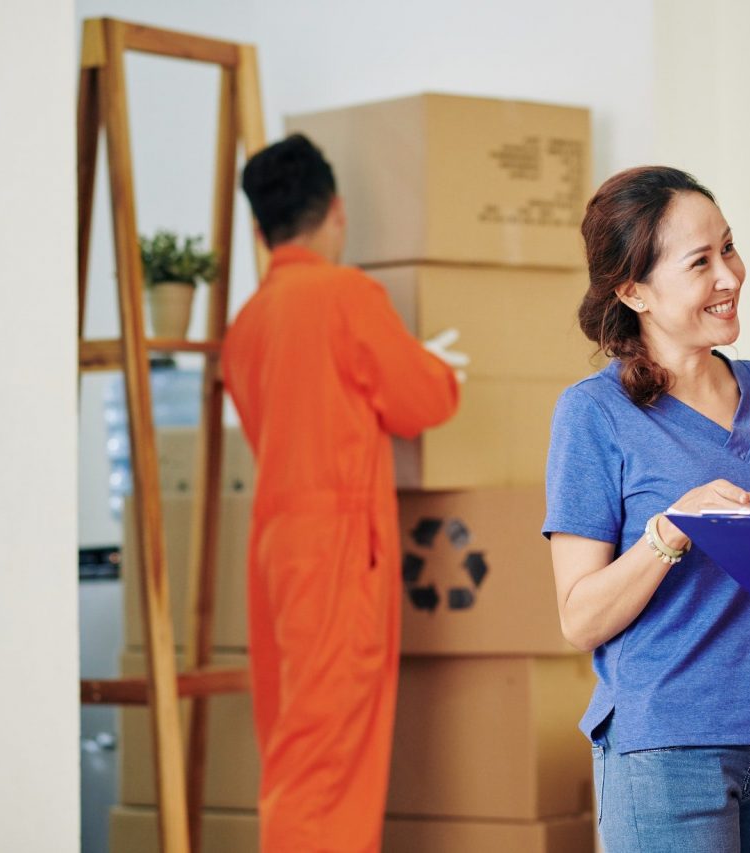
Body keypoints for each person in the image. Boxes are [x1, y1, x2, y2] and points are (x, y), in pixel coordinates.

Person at [543, 165, 750, 853]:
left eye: (729, 247)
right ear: (634, 290)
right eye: (700, 262)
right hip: (667, 752)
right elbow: (579, 616)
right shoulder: (593, 413)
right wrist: (670, 530)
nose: (730, 275)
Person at [222, 134, 464, 853]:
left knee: (293, 741)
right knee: (328, 759)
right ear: (336, 211)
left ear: (261, 229)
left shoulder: (246, 324)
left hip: (274, 549)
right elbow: (419, 399)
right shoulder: (346, 295)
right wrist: (439, 368)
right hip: (336, 552)